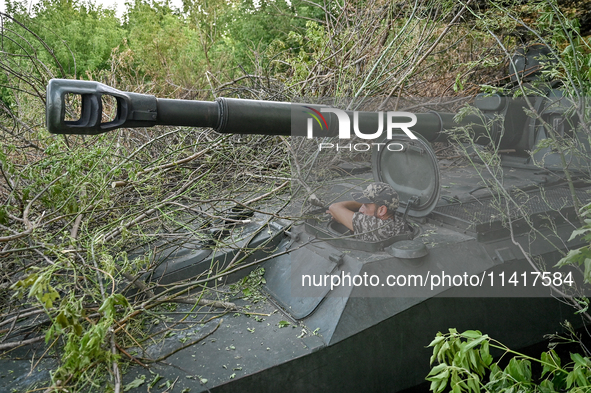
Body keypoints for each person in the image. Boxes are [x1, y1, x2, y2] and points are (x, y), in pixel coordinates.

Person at [326, 182, 405, 242]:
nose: (360, 210)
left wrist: (341, 218)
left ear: (382, 210)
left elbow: (334, 208)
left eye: (366, 206)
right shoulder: (397, 221)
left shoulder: (378, 227)